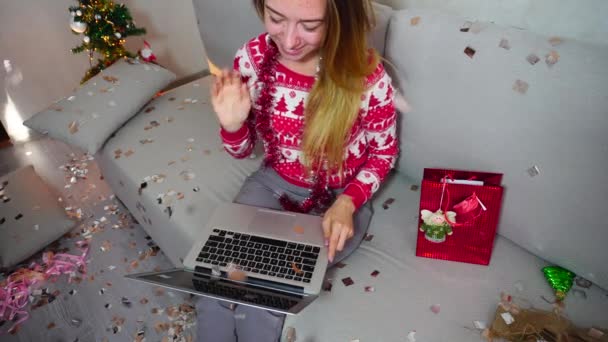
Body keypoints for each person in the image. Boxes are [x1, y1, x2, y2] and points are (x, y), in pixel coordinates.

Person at [197, 0, 399, 340]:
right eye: (276, 18)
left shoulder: (367, 77)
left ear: (339, 21)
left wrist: (348, 202)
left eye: (309, 25)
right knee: (214, 282)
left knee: (262, 296)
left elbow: (384, 151)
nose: (289, 41)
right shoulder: (252, 58)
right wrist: (231, 124)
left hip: (339, 199)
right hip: (273, 182)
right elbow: (243, 150)